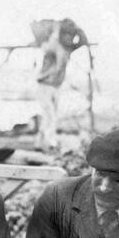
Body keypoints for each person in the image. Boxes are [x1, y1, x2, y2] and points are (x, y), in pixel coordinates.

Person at [33, 18, 87, 151]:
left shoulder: (68, 49)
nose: (69, 39)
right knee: (50, 115)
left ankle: (40, 142)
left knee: (50, 115)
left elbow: (83, 41)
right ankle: (49, 142)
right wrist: (58, 28)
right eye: (66, 35)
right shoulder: (53, 46)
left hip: (56, 87)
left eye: (71, 36)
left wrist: (78, 29)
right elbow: (55, 39)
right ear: (61, 35)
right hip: (44, 86)